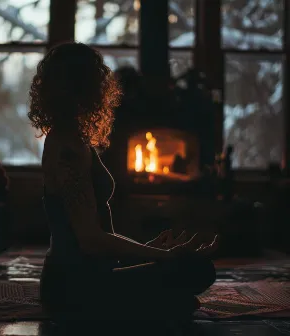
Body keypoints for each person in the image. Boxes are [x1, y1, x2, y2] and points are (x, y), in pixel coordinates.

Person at [28, 42, 218, 322]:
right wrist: (161, 256)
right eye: (98, 79)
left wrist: (154, 248)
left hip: (94, 275)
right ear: (85, 86)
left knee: (191, 275)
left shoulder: (75, 139)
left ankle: (154, 302)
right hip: (72, 287)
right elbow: (91, 241)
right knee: (194, 270)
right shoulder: (66, 146)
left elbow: (99, 238)